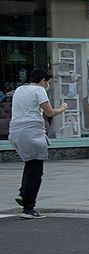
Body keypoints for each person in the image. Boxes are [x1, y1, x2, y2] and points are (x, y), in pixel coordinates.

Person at [10, 69, 68, 219]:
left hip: (16, 132)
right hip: (31, 133)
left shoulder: (19, 90)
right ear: (43, 80)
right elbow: (50, 113)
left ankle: (23, 194)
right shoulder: (39, 90)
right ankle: (29, 208)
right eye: (48, 82)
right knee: (36, 171)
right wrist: (63, 108)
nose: (47, 85)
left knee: (30, 164)